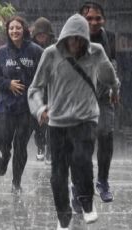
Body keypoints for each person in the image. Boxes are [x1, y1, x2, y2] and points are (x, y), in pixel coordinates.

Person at [28, 14, 119, 229]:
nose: (75, 44)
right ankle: (63, 216)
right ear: (65, 38)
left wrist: (115, 88)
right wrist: (40, 108)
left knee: (81, 160)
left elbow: (109, 75)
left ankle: (87, 204)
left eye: (79, 39)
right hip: (58, 122)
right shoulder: (50, 54)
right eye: (71, 39)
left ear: (85, 39)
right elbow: (34, 88)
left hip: (85, 118)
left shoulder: (96, 52)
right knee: (57, 176)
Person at [0, 16, 43, 194]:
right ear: (7, 31)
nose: (14, 31)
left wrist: (42, 103)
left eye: (18, 28)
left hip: (27, 109)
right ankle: (5, 157)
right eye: (11, 28)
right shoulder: (1, 53)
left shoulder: (36, 51)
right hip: (6, 106)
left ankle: (16, 182)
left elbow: (45, 77)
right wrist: (8, 84)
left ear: (24, 29)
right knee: (2, 139)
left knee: (21, 146)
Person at [78, 1, 118, 203]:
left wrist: (114, 87)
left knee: (105, 137)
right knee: (82, 143)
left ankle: (103, 181)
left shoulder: (109, 37)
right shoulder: (72, 39)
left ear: (103, 19)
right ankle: (80, 185)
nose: (93, 22)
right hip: (79, 99)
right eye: (89, 18)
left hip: (103, 97)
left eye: (97, 18)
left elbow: (113, 65)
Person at [30, 17, 57, 161]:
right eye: (38, 35)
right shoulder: (30, 47)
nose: (41, 37)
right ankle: (41, 145)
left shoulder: (56, 46)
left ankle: (50, 151)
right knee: (38, 121)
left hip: (52, 87)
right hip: (37, 86)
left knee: (53, 121)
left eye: (43, 34)